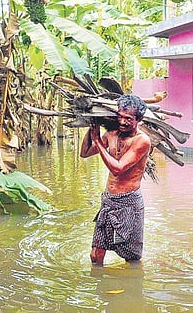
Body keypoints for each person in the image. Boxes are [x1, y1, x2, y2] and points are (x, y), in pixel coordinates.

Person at [80, 94, 151, 266]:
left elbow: (118, 169)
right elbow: (85, 153)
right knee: (95, 255)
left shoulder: (142, 141)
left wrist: (97, 140)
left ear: (139, 120)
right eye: (120, 116)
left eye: (128, 118)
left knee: (132, 257)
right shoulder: (111, 134)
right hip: (109, 200)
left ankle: (132, 288)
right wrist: (93, 128)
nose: (123, 122)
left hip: (129, 203)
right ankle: (99, 287)